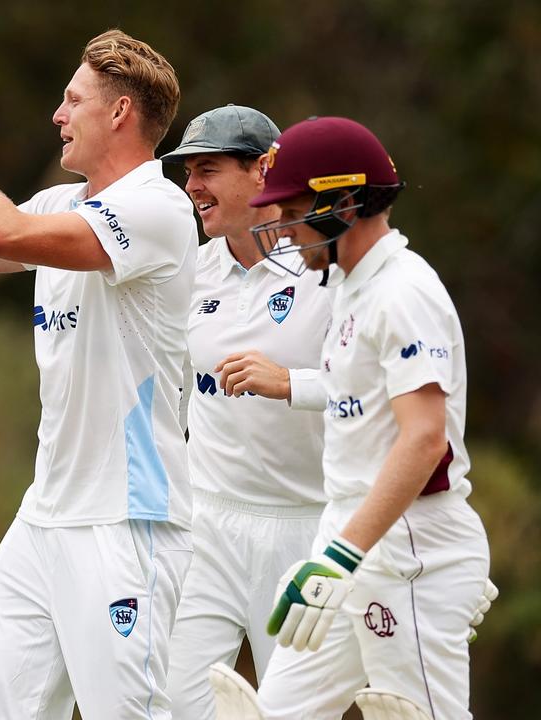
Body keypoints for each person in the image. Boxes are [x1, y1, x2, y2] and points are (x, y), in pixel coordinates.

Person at [0, 18, 196, 718]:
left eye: (73, 100)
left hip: (125, 523)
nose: (57, 115)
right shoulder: (64, 202)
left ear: (120, 112)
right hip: (44, 519)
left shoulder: (158, 207)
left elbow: (2, 229)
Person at [218, 116, 490, 720]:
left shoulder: (403, 293)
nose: (283, 233)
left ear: (344, 203)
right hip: (348, 541)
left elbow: (424, 441)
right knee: (275, 712)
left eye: (291, 213)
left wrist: (375, 557)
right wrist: (337, 553)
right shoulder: (351, 288)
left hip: (406, 550)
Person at [159, 105, 334, 720]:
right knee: (175, 704)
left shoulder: (324, 265)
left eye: (208, 169)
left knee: (296, 711)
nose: (192, 187)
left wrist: (292, 383)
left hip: (304, 526)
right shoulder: (190, 270)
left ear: (264, 170)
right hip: (207, 521)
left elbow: (383, 394)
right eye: (188, 173)